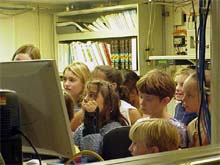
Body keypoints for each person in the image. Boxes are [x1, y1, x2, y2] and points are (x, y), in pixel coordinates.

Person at [73, 79, 129, 162]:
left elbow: (91, 155)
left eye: (92, 95)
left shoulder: (113, 129)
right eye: (85, 95)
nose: (85, 99)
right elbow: (71, 150)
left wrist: (91, 118)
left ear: (108, 105)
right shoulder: (82, 127)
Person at [136, 69, 187, 148]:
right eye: (141, 97)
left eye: (148, 99)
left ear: (165, 101)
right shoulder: (139, 124)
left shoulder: (176, 129)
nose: (142, 102)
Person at [182, 72, 210, 147]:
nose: (183, 99)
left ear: (208, 97)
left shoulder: (215, 127)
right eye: (183, 94)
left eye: (190, 95)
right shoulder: (192, 126)